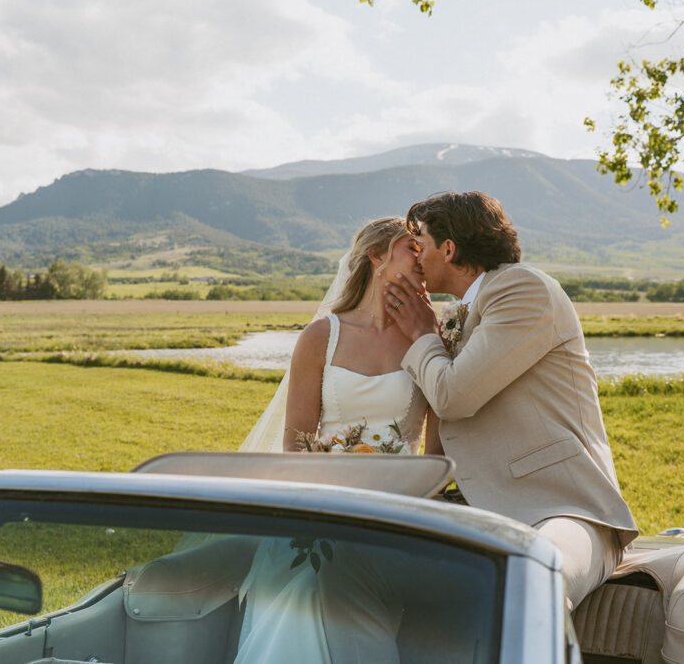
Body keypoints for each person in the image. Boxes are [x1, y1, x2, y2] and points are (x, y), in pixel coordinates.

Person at [383, 191, 639, 610]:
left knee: (538, 585)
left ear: (449, 249)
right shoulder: (459, 314)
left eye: (421, 244)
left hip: (563, 510)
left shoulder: (522, 289)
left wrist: (421, 334)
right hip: (483, 510)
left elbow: (453, 396)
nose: (416, 258)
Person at [232, 216, 439, 664]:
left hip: (398, 519)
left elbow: (435, 453)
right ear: (377, 256)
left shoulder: (430, 340)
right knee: (309, 589)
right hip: (319, 514)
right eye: (412, 247)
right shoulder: (320, 338)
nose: (424, 256)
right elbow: (296, 444)